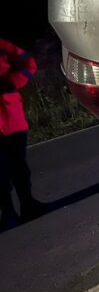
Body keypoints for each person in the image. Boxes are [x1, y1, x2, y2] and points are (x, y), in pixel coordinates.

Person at [0, 38, 46, 229]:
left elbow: (28, 63)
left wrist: (11, 82)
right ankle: (7, 213)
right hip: (10, 117)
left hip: (12, 118)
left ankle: (28, 205)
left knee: (19, 167)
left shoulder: (2, 45)